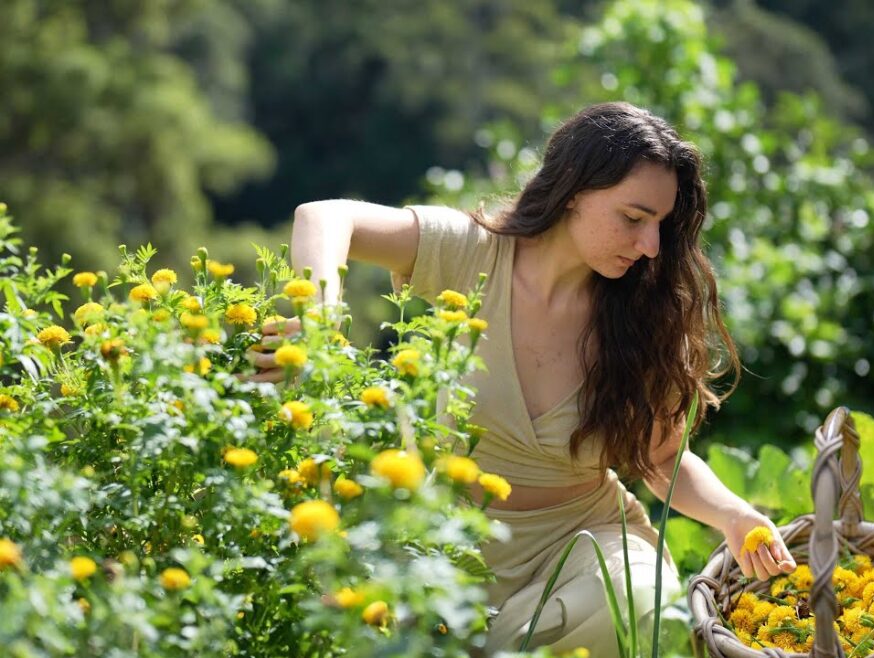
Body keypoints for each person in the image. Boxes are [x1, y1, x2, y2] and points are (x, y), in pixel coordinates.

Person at [248, 102, 796, 654]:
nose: (651, 245)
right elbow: (323, 217)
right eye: (634, 218)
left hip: (585, 546)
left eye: (660, 224)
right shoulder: (473, 253)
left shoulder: (644, 316)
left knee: (644, 605)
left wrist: (733, 514)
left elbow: (663, 458)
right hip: (447, 543)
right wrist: (319, 320)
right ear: (575, 190)